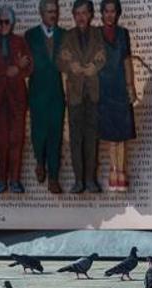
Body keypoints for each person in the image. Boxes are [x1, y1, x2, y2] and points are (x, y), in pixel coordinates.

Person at [58, 0, 106, 194]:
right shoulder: (68, 36)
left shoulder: (98, 33)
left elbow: (104, 56)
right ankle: (78, 181)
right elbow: (59, 61)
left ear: (91, 14)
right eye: (77, 14)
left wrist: (96, 65)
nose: (80, 17)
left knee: (92, 137)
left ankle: (91, 180)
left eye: (84, 13)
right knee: (76, 138)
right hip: (76, 95)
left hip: (94, 93)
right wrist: (70, 66)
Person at [0, 6, 33, 194]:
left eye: (6, 22)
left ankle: (15, 180)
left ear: (11, 23)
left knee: (16, 140)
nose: (2, 25)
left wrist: (19, 69)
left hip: (16, 99)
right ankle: (1, 180)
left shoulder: (20, 42)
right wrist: (13, 68)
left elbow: (30, 67)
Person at [25, 0, 66, 194]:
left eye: (55, 11)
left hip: (57, 93)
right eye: (49, 11)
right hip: (37, 93)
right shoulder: (30, 35)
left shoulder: (64, 35)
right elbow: (24, 65)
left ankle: (54, 178)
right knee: (38, 133)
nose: (53, 15)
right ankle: (39, 161)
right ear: (41, 13)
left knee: (55, 135)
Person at [98, 0, 136, 192]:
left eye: (113, 11)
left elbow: (127, 61)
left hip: (121, 88)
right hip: (104, 89)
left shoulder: (123, 34)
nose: (110, 15)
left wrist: (131, 86)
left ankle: (122, 171)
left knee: (122, 135)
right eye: (107, 11)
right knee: (112, 136)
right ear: (102, 13)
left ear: (118, 13)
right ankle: (113, 171)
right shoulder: (95, 34)